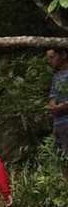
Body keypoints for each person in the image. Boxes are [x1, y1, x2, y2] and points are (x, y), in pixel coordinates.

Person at [45, 48, 68, 177]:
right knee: (62, 159)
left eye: (52, 57)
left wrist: (61, 107)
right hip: (58, 123)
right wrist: (52, 106)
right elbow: (52, 98)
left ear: (63, 55)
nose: (50, 61)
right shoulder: (57, 77)